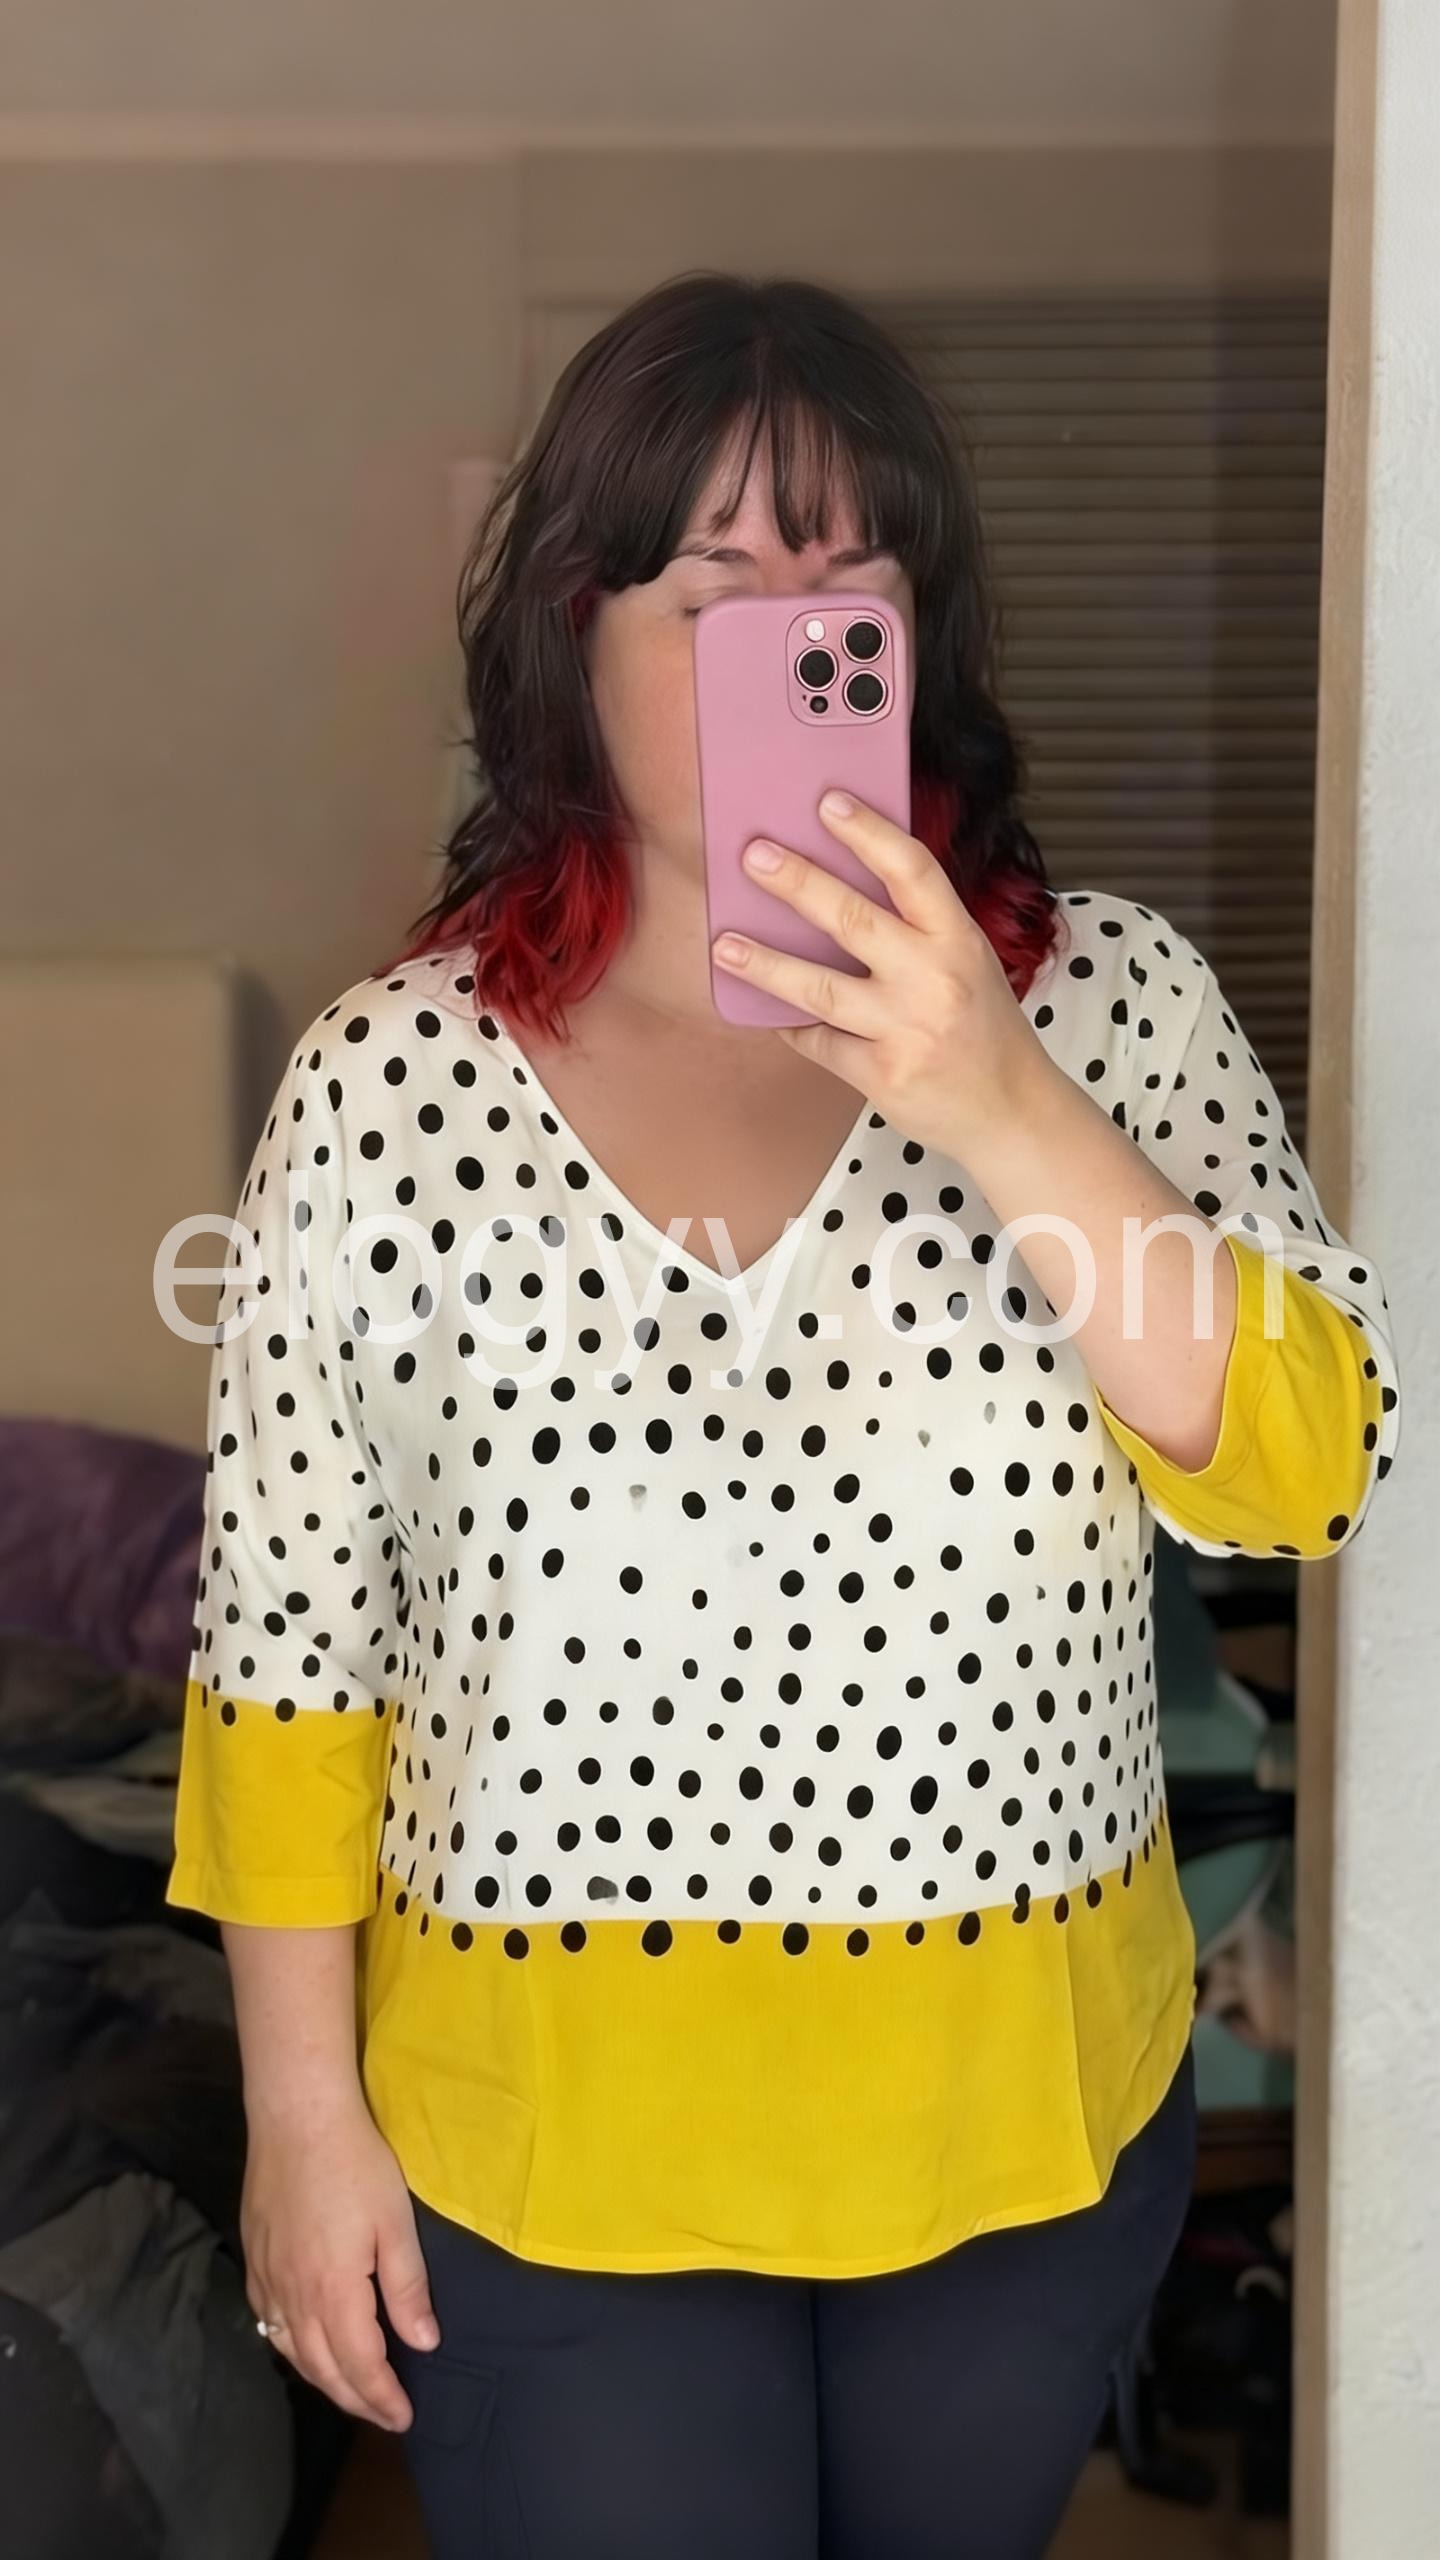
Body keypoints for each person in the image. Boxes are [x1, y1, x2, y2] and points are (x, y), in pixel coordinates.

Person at [165, 273, 1402, 2559]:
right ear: (578, 634)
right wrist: (299, 2117)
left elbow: (1308, 1467)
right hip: (542, 2128)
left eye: (851, 585)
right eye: (713, 582)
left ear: (920, 640)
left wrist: (1002, 1096)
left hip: (1017, 2108)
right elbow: (290, 1646)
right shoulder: (387, 1082)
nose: (788, 637)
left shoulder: (1113, 1001)